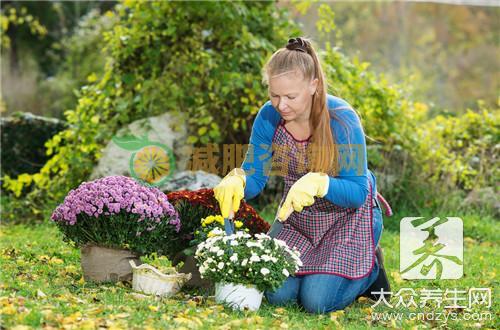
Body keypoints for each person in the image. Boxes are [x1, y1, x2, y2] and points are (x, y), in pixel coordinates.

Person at [213, 37, 392, 314]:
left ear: (313, 86)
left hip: (348, 218)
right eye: (274, 95)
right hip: (300, 220)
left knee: (316, 301)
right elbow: (255, 176)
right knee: (276, 293)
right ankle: (318, 275)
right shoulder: (269, 117)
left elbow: (357, 193)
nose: (281, 105)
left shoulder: (342, 119)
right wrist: (239, 180)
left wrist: (320, 182)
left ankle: (371, 270)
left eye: (290, 97)